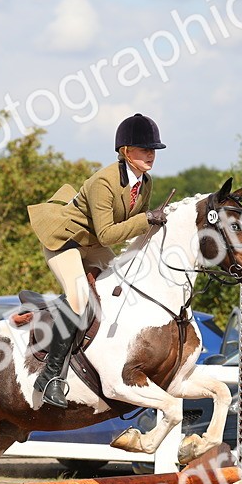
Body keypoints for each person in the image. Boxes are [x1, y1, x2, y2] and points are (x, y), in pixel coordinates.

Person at [27, 113, 171, 408]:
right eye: (144, 149)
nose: (151, 155)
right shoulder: (103, 182)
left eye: (153, 150)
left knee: (124, 286)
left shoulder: (145, 183)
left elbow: (129, 226)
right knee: (80, 297)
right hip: (65, 240)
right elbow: (108, 234)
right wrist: (146, 219)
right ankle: (51, 376)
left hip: (92, 243)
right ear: (125, 152)